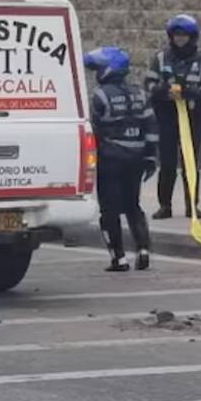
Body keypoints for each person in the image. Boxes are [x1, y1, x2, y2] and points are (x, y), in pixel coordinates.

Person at [85, 46, 158, 273]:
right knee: (133, 205)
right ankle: (143, 249)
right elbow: (151, 126)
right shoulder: (140, 94)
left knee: (109, 210)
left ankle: (119, 258)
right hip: (136, 159)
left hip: (110, 159)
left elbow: (94, 129)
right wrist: (150, 156)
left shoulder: (100, 95)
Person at [145, 14, 201, 220]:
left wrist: (190, 92)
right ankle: (164, 206)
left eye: (184, 35)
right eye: (177, 35)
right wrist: (164, 89)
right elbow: (148, 84)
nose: (180, 39)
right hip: (167, 117)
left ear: (192, 37)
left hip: (193, 118)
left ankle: (192, 206)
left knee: (190, 164)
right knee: (167, 164)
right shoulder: (160, 58)